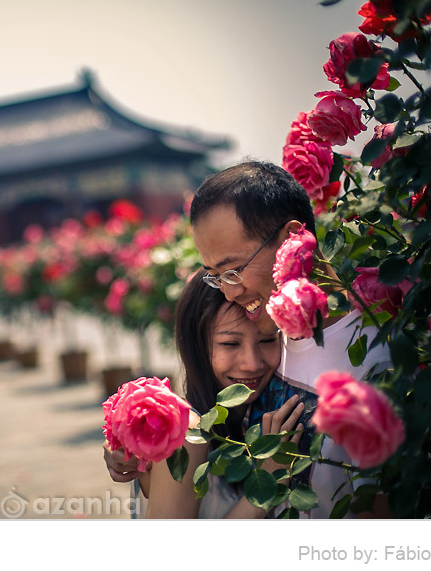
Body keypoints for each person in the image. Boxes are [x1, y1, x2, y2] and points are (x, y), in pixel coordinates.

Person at [107, 160, 392, 518]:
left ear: (291, 239)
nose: (228, 293)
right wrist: (138, 448)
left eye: (234, 270)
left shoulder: (378, 359)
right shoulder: (267, 335)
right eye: (215, 276)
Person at [131, 269, 303, 518]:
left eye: (267, 340)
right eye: (230, 344)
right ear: (196, 346)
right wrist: (269, 480)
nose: (252, 363)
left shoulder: (252, 416)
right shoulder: (188, 433)